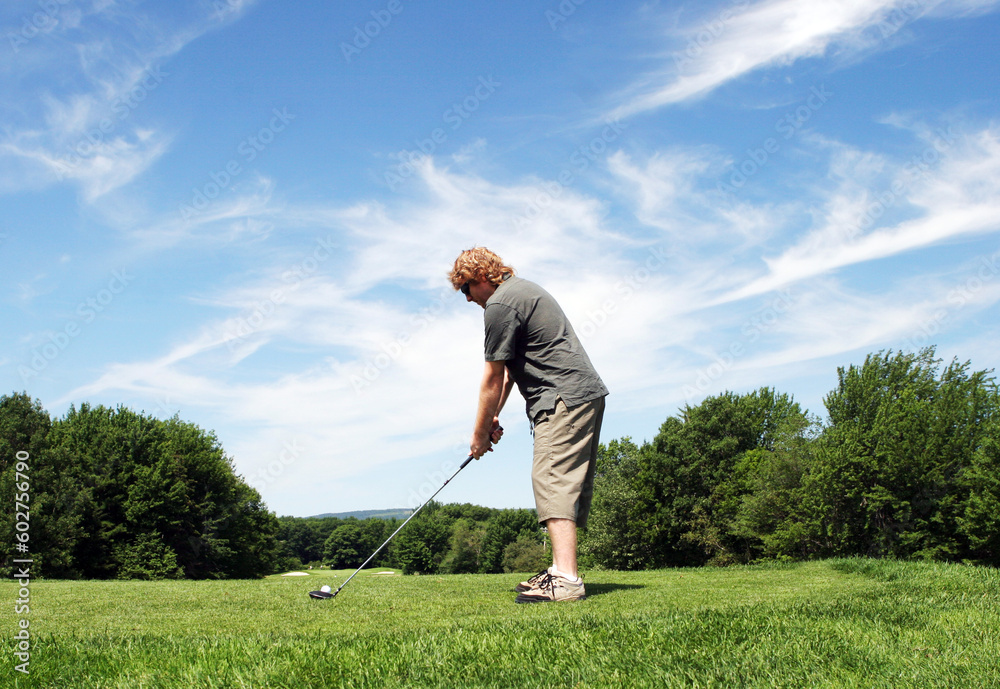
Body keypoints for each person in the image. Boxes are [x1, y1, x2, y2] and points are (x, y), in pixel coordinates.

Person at [449, 247, 608, 603]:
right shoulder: (520, 291)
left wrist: (477, 437)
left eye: (465, 289)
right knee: (556, 478)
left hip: (563, 398)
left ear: (478, 278)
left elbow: (491, 377)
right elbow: (506, 378)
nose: (467, 299)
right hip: (578, 395)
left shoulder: (500, 305)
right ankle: (557, 571)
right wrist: (492, 417)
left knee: (552, 478)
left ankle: (566, 579)